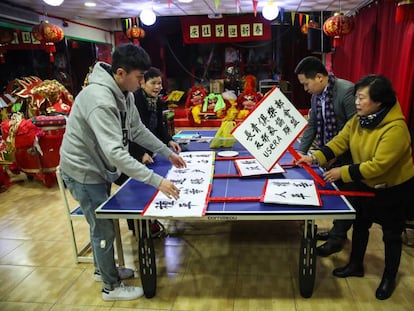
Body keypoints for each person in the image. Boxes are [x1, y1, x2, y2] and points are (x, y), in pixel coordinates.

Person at [59, 44, 186, 301]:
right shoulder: (100, 100)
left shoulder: (124, 94)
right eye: (139, 78)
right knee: (103, 228)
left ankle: (103, 269)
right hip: (84, 171)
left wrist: (166, 152)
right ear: (120, 72)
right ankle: (110, 286)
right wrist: (157, 181)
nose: (142, 83)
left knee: (101, 225)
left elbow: (137, 130)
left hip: (99, 167)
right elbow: (116, 153)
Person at [296, 74, 414, 300]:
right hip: (364, 182)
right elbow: (339, 142)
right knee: (360, 225)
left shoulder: (395, 128)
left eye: (362, 98)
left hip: (393, 188)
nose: (357, 102)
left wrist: (343, 172)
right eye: (357, 97)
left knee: (391, 235)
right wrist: (315, 158)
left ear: (379, 101)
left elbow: (379, 165)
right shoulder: (360, 119)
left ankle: (389, 277)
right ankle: (356, 265)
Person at [294, 56, 356, 256]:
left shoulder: (346, 91)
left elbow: (353, 130)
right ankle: (336, 232)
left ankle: (337, 238)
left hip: (348, 155)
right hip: (327, 151)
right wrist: (301, 153)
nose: (305, 89)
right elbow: (312, 126)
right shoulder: (316, 95)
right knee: (338, 193)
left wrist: (336, 156)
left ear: (319, 77)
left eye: (306, 84)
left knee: (346, 195)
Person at [115, 67, 181, 236]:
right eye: (153, 83)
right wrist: (139, 153)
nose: (157, 87)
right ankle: (138, 227)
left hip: (149, 148)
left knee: (148, 185)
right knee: (133, 187)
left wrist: (169, 141)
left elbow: (159, 126)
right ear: (143, 82)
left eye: (159, 83)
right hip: (131, 150)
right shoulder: (134, 100)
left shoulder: (157, 101)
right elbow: (130, 133)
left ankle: (149, 220)